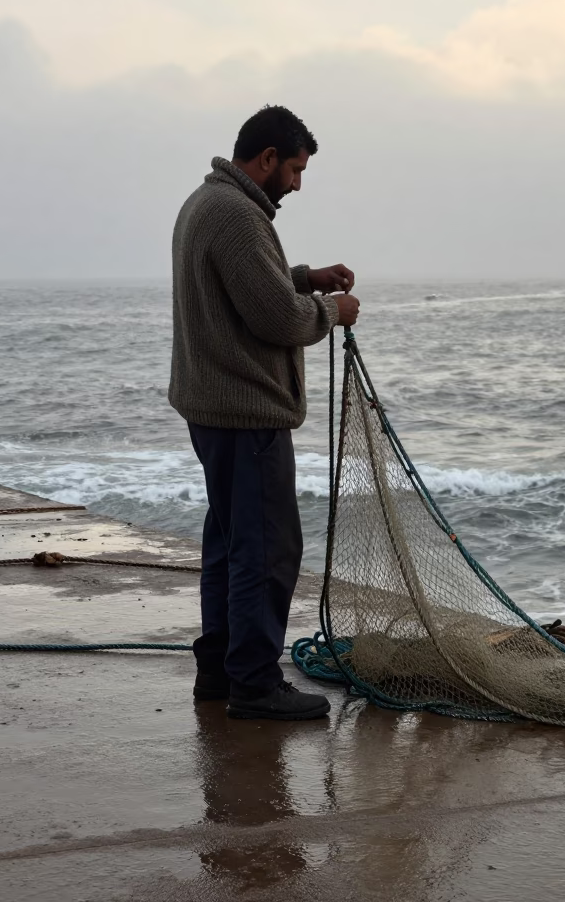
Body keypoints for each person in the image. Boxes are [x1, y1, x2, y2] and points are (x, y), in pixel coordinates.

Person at [169, 105, 359, 720]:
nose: (298, 184)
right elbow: (275, 317)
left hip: (214, 411)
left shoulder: (208, 203)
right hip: (246, 415)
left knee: (229, 546)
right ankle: (254, 685)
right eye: (296, 170)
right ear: (268, 158)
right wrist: (332, 312)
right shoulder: (236, 216)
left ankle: (219, 674)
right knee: (267, 551)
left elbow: (247, 289)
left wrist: (306, 277)